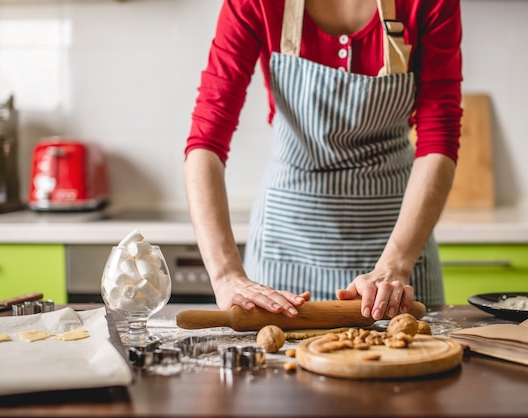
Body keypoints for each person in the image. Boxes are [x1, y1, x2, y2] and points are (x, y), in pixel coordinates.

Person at [183, 0, 462, 321]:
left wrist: (395, 264)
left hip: (397, 249)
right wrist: (226, 276)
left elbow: (439, 137)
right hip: (285, 246)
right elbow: (206, 142)